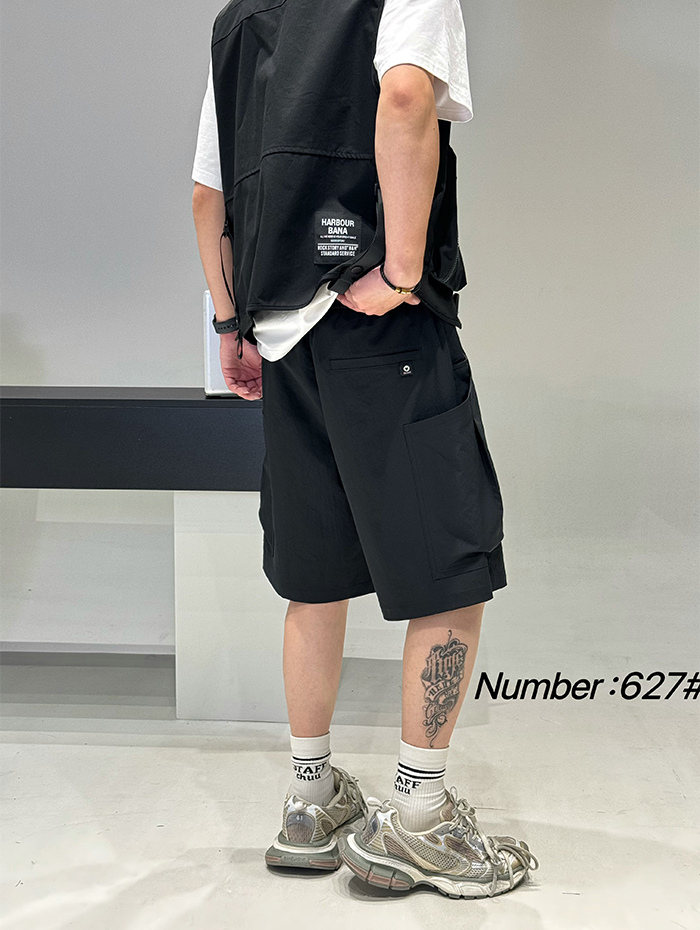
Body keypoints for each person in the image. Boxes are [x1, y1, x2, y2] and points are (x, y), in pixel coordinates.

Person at [191, 0, 538, 899]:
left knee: (315, 576)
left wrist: (231, 322)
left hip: (282, 336)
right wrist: (404, 270)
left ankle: (310, 803)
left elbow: (208, 194)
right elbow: (407, 97)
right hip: (379, 325)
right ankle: (419, 818)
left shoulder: (240, 18)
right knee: (452, 568)